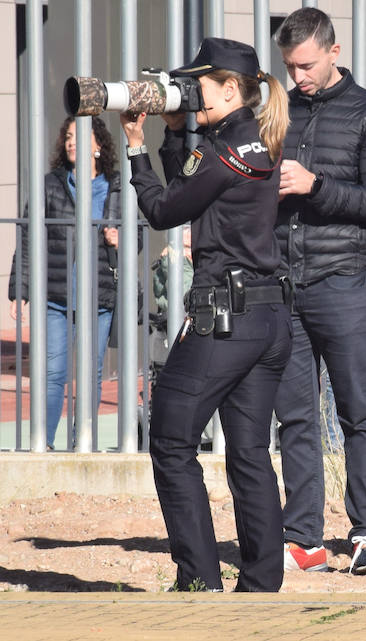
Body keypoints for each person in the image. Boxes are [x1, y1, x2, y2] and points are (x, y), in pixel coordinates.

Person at [121, 37, 293, 591]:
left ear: (231, 87)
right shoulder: (252, 141)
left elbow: (165, 209)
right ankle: (262, 583)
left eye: (200, 86)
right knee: (247, 452)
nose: (192, 94)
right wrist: (174, 131)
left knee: (171, 440)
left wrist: (133, 147)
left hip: (227, 317)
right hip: (268, 319)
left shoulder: (224, 149)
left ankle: (198, 577)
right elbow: (193, 184)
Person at [272, 7, 366, 575]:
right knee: (295, 418)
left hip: (344, 285)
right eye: (289, 67)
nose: (297, 76)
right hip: (285, 287)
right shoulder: (278, 112)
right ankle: (302, 538)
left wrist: (315, 185)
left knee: (358, 414)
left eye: (305, 65)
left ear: (334, 51)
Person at [8, 116, 131, 450]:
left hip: (99, 298)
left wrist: (119, 239)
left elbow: (134, 239)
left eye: (79, 136)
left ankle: (83, 443)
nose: (71, 142)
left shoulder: (117, 186)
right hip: (56, 297)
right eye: (67, 137)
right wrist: (20, 289)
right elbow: (28, 238)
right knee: (53, 374)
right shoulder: (50, 185)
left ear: (98, 145)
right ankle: (43, 443)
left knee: (90, 376)